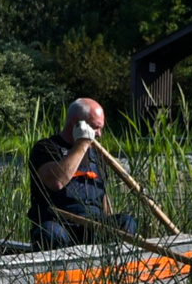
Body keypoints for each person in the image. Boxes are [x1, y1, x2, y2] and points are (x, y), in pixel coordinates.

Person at [28, 97, 134, 248]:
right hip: (59, 225)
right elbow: (56, 181)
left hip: (93, 226)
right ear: (77, 122)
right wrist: (82, 143)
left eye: (101, 128)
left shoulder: (97, 156)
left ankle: (116, 264)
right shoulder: (45, 148)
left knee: (126, 222)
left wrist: (110, 224)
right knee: (50, 233)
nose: (99, 134)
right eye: (95, 128)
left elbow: (102, 197)